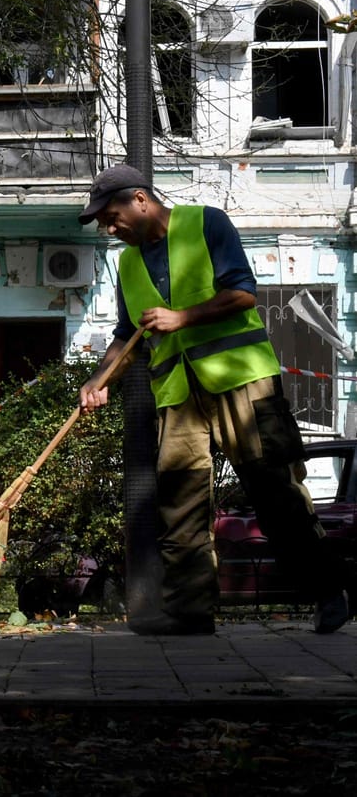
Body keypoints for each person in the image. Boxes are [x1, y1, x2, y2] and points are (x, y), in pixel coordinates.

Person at [77, 163, 350, 635]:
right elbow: (128, 336)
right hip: (179, 395)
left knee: (274, 491)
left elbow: (243, 293)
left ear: (140, 199)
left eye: (110, 214)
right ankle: (190, 611)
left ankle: (331, 593)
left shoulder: (206, 222)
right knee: (179, 504)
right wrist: (99, 378)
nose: (108, 227)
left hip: (243, 382)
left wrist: (182, 318)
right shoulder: (127, 263)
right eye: (102, 221)